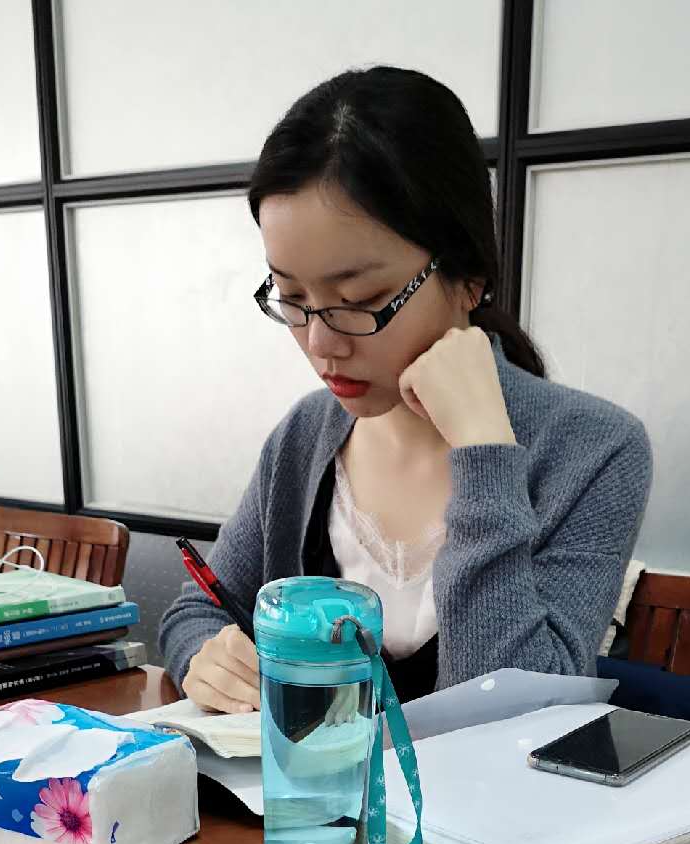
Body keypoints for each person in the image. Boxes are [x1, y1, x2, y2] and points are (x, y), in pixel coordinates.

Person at [160, 66, 651, 711]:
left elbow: (511, 711)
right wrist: (207, 654)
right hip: (305, 781)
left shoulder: (595, 449)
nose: (321, 343)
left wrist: (482, 449)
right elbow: (200, 606)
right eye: (291, 297)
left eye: (361, 299)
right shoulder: (306, 436)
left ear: (469, 275)